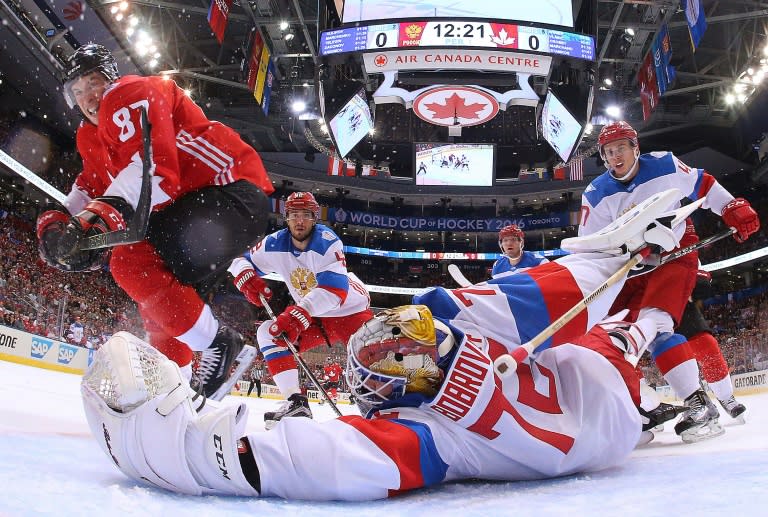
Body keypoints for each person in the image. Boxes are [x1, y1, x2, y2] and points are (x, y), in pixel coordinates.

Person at [81, 200, 683, 500]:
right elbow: (317, 450)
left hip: (344, 314)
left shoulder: (435, 439)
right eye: (411, 344)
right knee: (626, 328)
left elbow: (314, 455)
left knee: (621, 330)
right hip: (604, 399)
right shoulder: (450, 398)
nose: (419, 339)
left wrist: (168, 443)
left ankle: (635, 293)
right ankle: (633, 284)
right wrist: (618, 262)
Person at [35, 43, 274, 399]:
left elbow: (153, 174)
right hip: (202, 209)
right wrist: (58, 225)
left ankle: (220, 344)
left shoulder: (128, 93)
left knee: (133, 262)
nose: (88, 97)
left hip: (232, 193)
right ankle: (172, 391)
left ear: (111, 79)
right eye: (78, 91)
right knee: (157, 295)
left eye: (94, 82)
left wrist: (91, 223)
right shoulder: (91, 135)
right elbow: (92, 184)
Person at [578, 120, 760, 442]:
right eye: (608, 151)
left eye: (621, 147)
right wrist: (628, 248)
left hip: (674, 254)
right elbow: (593, 246)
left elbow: (702, 184)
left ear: (636, 148)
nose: (615, 155)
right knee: (604, 334)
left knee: (655, 321)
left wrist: (730, 205)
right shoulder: (595, 194)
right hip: (631, 267)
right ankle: (642, 406)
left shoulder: (664, 163)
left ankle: (703, 403)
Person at [227, 191, 373, 429]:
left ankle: (378, 411)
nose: (299, 221)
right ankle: (296, 403)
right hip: (315, 316)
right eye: (294, 215)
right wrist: (244, 274)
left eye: (305, 215)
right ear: (286, 218)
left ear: (314, 218)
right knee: (268, 333)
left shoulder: (327, 241)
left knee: (370, 362)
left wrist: (301, 311)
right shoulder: (275, 243)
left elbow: (335, 290)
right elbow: (239, 258)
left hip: (350, 312)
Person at [653, 269, 746, 422]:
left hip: (677, 302)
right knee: (664, 353)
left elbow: (695, 269)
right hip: (644, 305)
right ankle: (646, 407)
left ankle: (725, 396)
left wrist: (698, 278)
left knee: (705, 345)